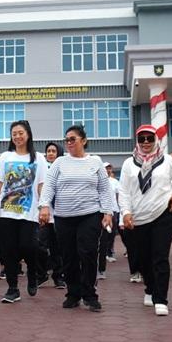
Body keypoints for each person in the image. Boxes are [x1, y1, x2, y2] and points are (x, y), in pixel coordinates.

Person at [38, 125, 115, 312]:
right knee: (69, 256)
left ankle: (90, 294)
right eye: (67, 140)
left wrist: (108, 212)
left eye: (73, 139)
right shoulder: (59, 163)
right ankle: (73, 293)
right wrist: (44, 206)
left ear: (84, 141)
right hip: (64, 217)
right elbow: (49, 186)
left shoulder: (95, 162)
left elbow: (104, 189)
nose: (69, 143)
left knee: (88, 252)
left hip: (90, 215)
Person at [118, 125, 172, 316]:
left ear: (156, 139)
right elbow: (124, 191)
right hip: (138, 218)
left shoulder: (167, 161)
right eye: (142, 139)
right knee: (143, 258)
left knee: (160, 256)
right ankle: (149, 288)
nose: (146, 142)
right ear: (137, 141)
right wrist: (125, 212)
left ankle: (161, 299)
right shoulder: (128, 164)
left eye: (150, 138)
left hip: (162, 215)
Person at [0, 120, 47, 303]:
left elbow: (42, 185)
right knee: (9, 251)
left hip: (29, 213)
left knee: (28, 246)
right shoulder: (5, 157)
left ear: (28, 134)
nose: (17, 136)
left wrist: (44, 207)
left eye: (20, 133)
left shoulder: (38, 158)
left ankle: (32, 273)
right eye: (14, 133)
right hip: (6, 212)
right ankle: (12, 289)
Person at [35, 142, 66, 289]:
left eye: (54, 151)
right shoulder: (42, 168)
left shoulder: (64, 168)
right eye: (48, 151)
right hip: (44, 213)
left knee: (58, 248)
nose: (51, 153)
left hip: (60, 213)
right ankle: (41, 274)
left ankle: (58, 276)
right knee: (39, 245)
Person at [97, 162, 120, 280]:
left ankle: (101, 269)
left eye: (109, 168)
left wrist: (111, 212)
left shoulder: (113, 182)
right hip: (94, 214)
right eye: (105, 168)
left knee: (105, 240)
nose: (107, 170)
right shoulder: (94, 180)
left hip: (109, 213)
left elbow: (117, 196)